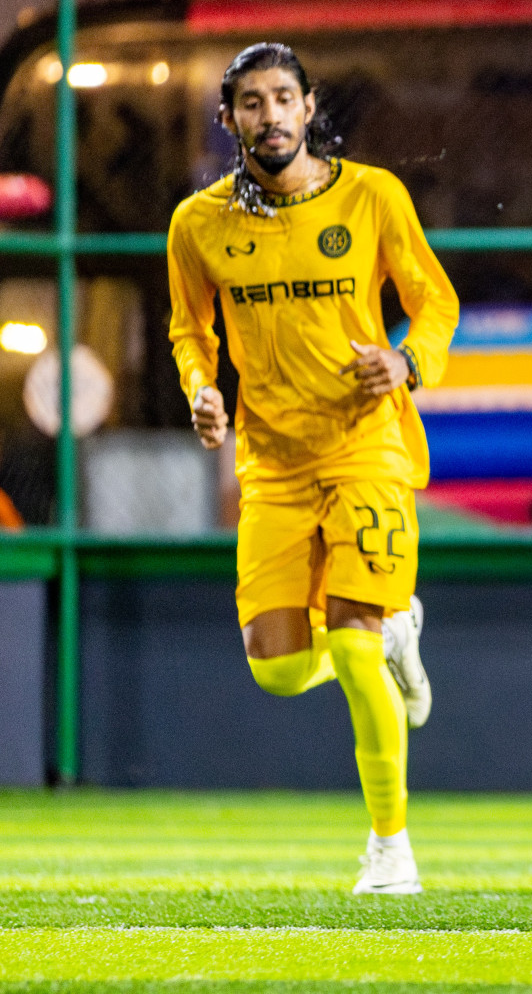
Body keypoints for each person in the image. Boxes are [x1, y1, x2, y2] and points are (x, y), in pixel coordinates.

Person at [167, 43, 460, 894]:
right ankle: (393, 631)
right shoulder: (199, 223)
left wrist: (407, 363)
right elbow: (192, 329)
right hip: (274, 462)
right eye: (250, 103)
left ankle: (390, 848)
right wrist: (201, 389)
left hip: (368, 445)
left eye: (282, 97)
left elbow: (434, 300)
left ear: (307, 106)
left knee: (355, 644)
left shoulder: (372, 196)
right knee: (280, 668)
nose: (270, 115)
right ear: (230, 120)